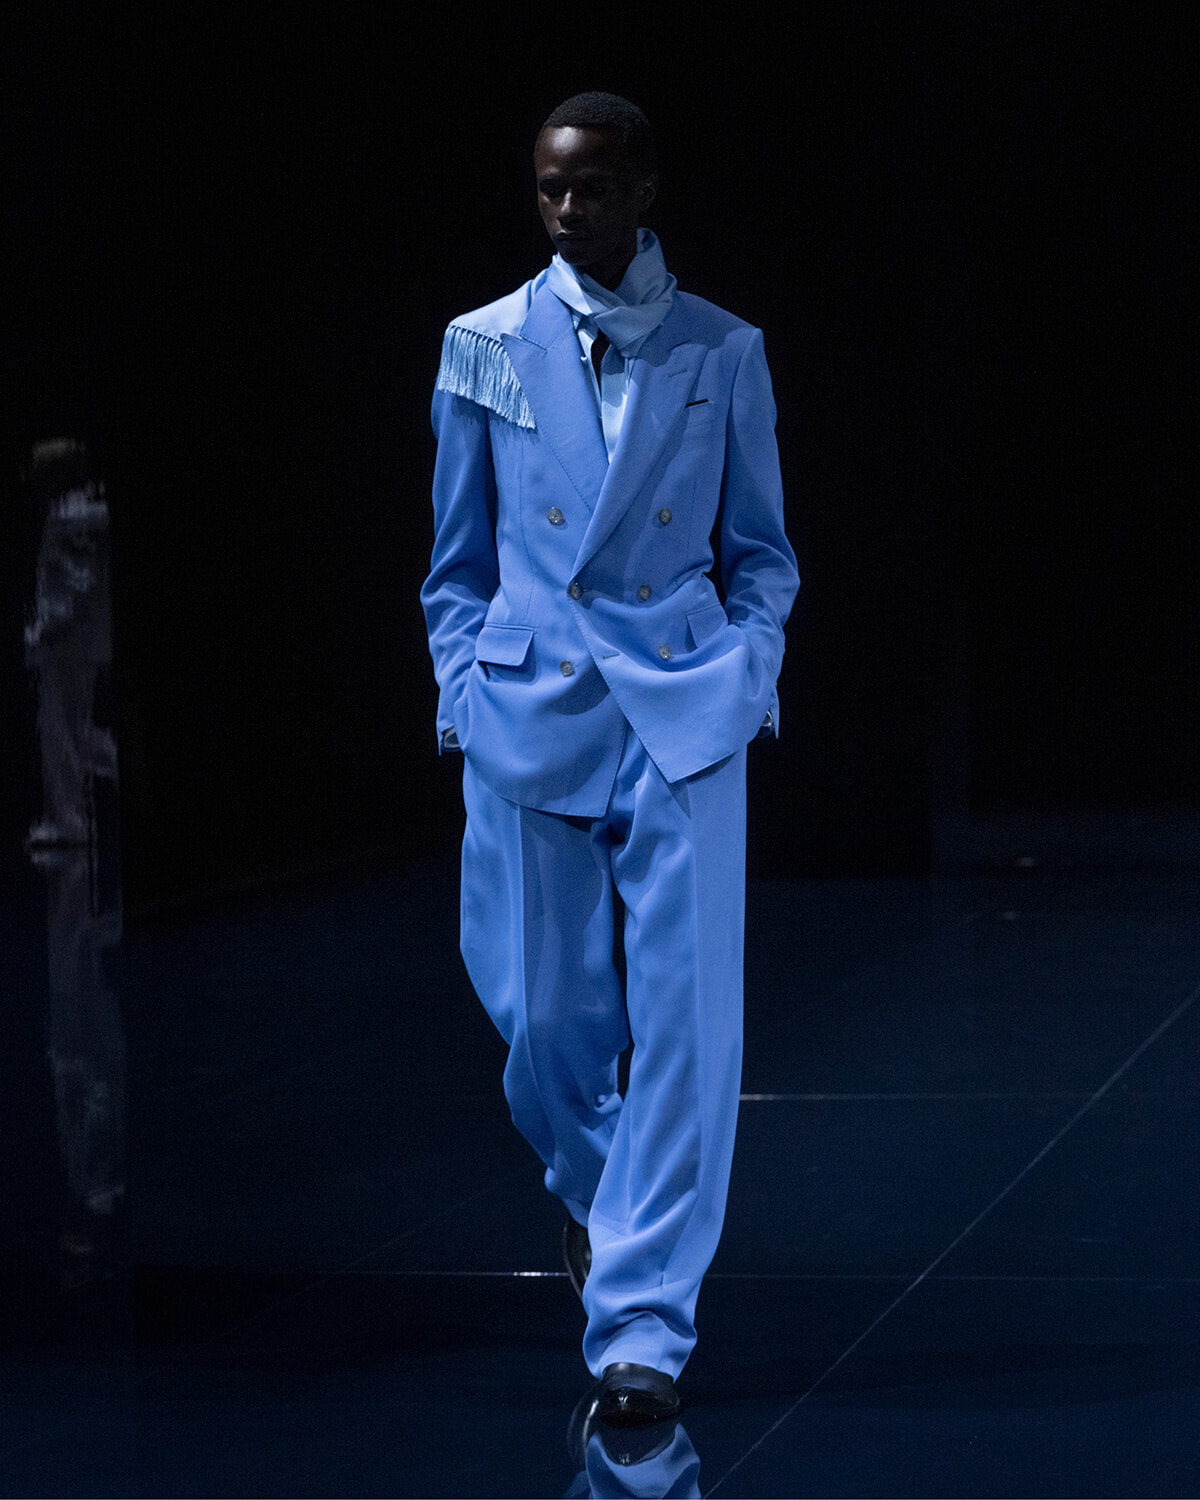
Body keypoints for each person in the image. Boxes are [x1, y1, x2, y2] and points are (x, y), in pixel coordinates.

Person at [421, 92, 799, 1423]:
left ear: (643, 186)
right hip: (532, 707)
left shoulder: (724, 351)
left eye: (589, 186)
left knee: (689, 1035)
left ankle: (641, 1323)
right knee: (540, 1023)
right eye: (546, 190)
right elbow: (454, 558)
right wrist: (463, 690)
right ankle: (600, 1194)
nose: (567, 210)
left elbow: (764, 552)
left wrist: (748, 668)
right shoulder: (483, 345)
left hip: (685, 707)